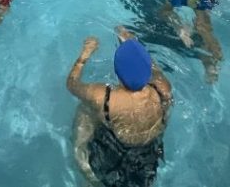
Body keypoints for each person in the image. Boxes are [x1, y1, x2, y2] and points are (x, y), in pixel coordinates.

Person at [67, 26, 172, 187]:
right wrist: (132, 43)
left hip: (112, 150)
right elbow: (151, 67)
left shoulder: (104, 96)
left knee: (85, 109)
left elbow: (72, 84)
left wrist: (84, 56)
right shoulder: (162, 87)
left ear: (118, 74)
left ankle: (85, 170)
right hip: (148, 154)